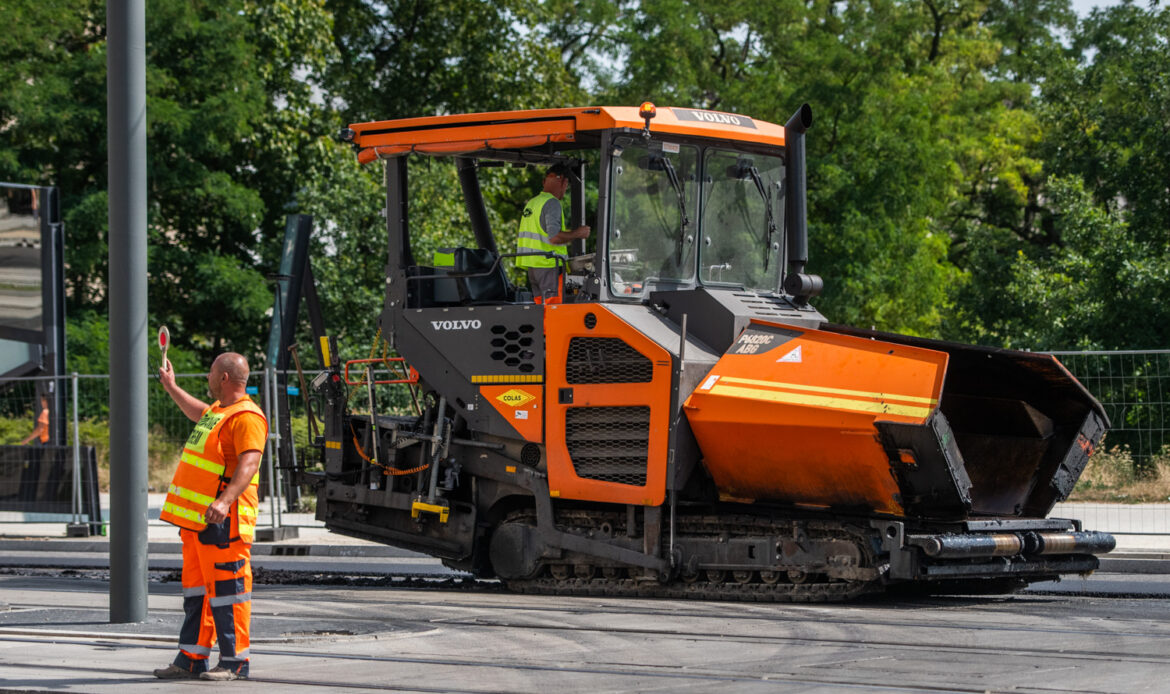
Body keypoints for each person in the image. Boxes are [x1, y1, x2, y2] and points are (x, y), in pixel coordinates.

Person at [153, 353, 267, 681]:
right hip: (200, 524)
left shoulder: (247, 417)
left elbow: (249, 463)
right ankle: (191, 658)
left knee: (228, 591)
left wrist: (225, 500)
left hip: (224, 523)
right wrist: (172, 387)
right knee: (198, 593)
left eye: (212, 372)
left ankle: (234, 663)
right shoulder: (220, 412)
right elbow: (198, 412)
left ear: (225, 379)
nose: (207, 376)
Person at [516, 162, 591, 299]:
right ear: (563, 181)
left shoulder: (533, 202)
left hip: (533, 267)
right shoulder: (552, 203)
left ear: (544, 181)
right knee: (554, 306)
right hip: (548, 264)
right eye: (566, 185)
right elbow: (554, 237)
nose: (565, 189)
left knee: (541, 308)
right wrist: (578, 233)